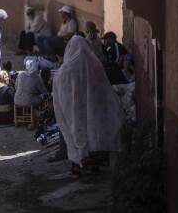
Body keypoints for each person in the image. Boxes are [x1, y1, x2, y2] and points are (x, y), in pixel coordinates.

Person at [52, 36, 125, 175]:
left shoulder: (65, 70)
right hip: (93, 108)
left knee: (75, 130)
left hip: (73, 109)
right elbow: (103, 88)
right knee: (93, 131)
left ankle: (77, 163)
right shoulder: (95, 64)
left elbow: (58, 87)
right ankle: (93, 162)